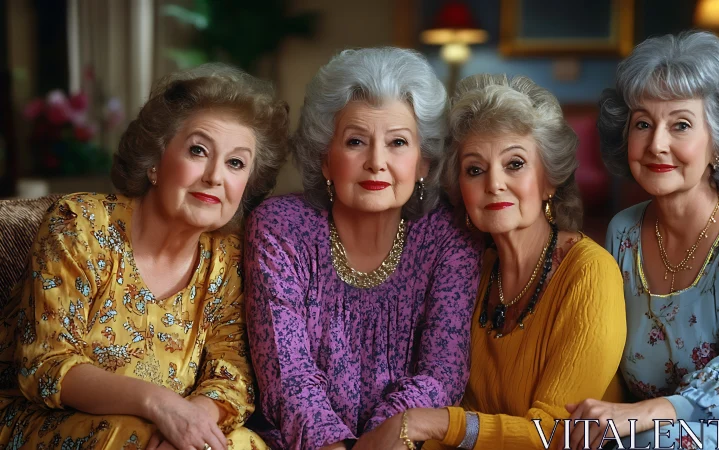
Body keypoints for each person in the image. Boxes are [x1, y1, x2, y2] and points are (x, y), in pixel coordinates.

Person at [0, 63, 289, 450]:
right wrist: (162, 406)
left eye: (236, 163)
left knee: (243, 443)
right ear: (156, 159)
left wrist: (189, 426)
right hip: (47, 422)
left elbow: (232, 377)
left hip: (164, 429)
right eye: (198, 150)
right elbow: (46, 365)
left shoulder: (229, 257)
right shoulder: (81, 225)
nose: (215, 176)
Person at [568, 31, 719, 449]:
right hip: (653, 430)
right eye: (643, 123)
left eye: (681, 125)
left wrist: (644, 415)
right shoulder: (623, 232)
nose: (657, 144)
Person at [244, 47, 482, 450]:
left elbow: (442, 374)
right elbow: (287, 374)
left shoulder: (449, 234)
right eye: (356, 141)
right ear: (324, 157)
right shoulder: (279, 228)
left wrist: (382, 439)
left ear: (424, 162)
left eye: (398, 143)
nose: (376, 161)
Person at [405, 74, 627, 450]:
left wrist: (431, 423)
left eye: (515, 164)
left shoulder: (589, 273)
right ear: (460, 188)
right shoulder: (469, 273)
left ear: (549, 181)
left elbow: (554, 434)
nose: (494, 184)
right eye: (475, 169)